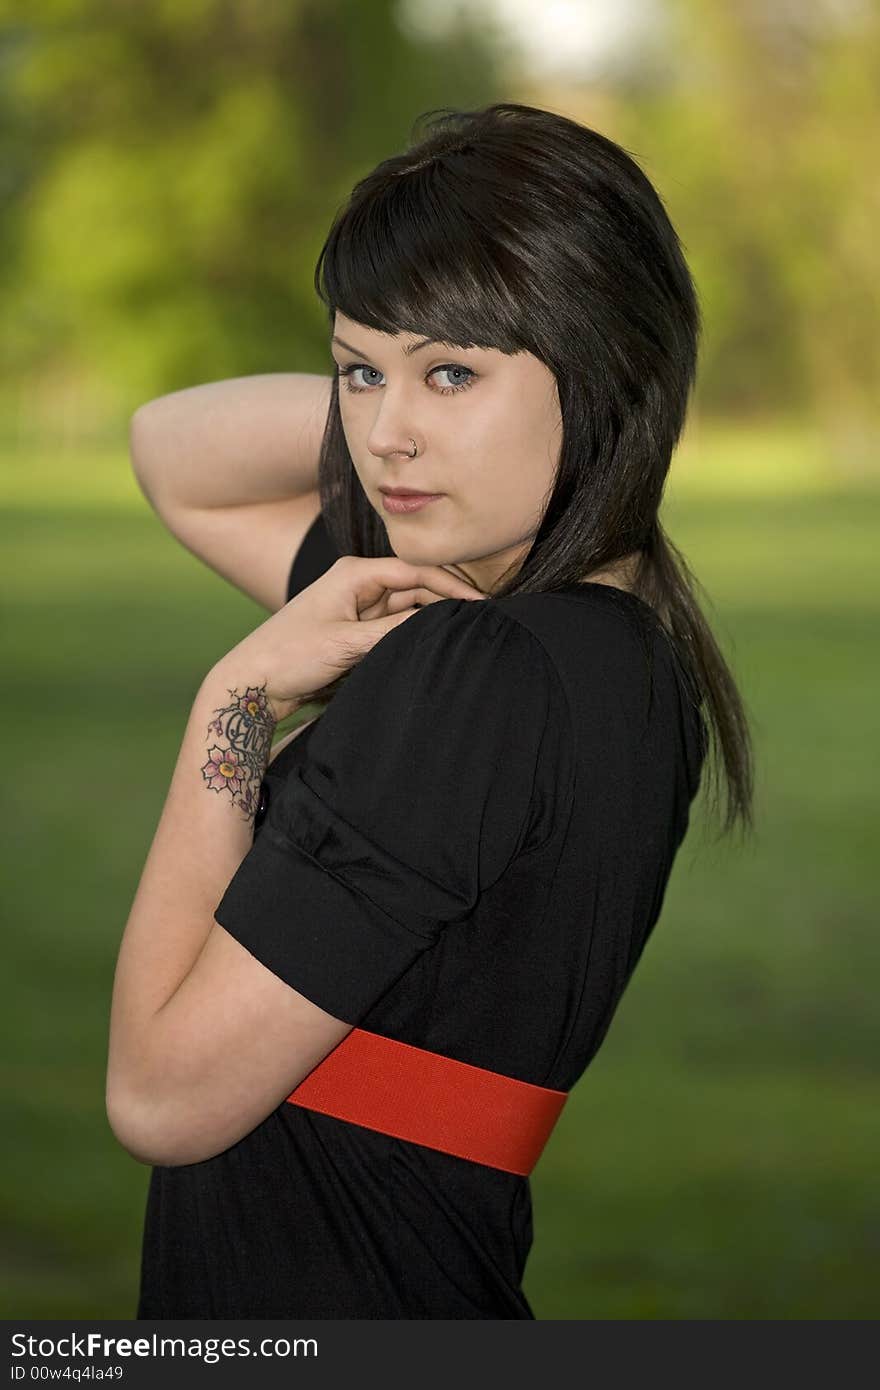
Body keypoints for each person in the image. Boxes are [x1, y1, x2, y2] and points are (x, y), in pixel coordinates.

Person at [109, 101, 754, 1319]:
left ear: (608, 366)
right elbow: (174, 453)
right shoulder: (615, 660)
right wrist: (414, 368)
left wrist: (235, 700)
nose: (385, 439)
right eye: (358, 371)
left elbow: (162, 1098)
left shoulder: (476, 672)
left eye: (455, 374)